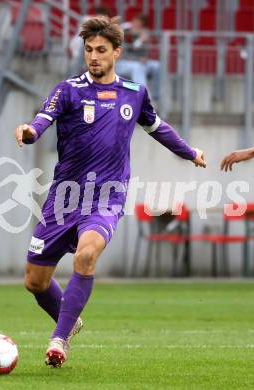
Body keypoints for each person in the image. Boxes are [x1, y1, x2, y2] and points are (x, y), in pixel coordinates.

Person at [14, 15, 206, 368]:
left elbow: (156, 127)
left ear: (117, 52)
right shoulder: (68, 90)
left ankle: (59, 339)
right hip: (64, 197)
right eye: (88, 50)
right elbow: (43, 119)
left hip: (106, 196)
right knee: (35, 282)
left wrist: (190, 152)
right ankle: (70, 318)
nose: (93, 56)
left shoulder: (135, 93)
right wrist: (29, 132)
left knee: (86, 256)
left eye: (101, 50)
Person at [116, 14, 160, 101]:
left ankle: (156, 96)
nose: (136, 25)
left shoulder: (144, 35)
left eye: (139, 24)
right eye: (135, 22)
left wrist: (141, 41)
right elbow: (121, 55)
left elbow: (145, 55)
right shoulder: (123, 32)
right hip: (121, 63)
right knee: (137, 67)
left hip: (139, 62)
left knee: (157, 66)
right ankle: (145, 98)